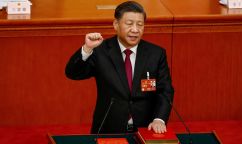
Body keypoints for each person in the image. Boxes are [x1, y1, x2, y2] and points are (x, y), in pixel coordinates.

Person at [65, 1, 174, 134]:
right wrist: (87, 49)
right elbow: (73, 73)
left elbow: (165, 90)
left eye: (140, 25)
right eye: (129, 24)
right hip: (108, 128)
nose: (135, 29)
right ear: (116, 24)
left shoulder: (156, 54)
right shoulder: (101, 51)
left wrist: (159, 119)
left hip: (145, 129)